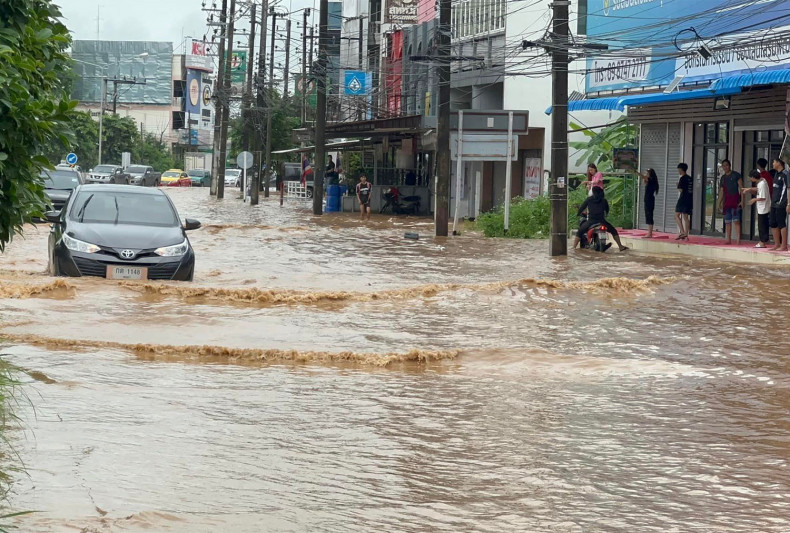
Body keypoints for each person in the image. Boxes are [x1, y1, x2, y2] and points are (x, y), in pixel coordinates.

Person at [573, 186, 628, 251]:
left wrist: (578, 214)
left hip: (591, 221)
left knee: (580, 232)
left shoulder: (589, 199)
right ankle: (620, 246)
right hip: (602, 221)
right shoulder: (604, 200)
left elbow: (582, 208)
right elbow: (607, 209)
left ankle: (573, 248)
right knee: (614, 231)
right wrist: (606, 214)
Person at [718, 159, 743, 245]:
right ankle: (728, 239)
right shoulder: (723, 178)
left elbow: (741, 188)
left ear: (730, 166)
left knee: (736, 221)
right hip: (726, 203)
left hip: (735, 202)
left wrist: (742, 201)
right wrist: (719, 203)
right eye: (723, 166)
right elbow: (721, 191)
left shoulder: (736, 175)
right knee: (727, 222)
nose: (725, 167)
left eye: (726, 165)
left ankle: (738, 239)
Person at [770, 158, 788, 251]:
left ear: (779, 163)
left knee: (781, 223)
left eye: (774, 162)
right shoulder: (776, 174)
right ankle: (777, 244)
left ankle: (784, 245)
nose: (772, 163)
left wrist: (787, 203)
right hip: (773, 202)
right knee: (773, 223)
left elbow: (788, 189)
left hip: (781, 203)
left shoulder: (786, 174)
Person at [675, 163, 693, 240]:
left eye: (678, 169)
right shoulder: (690, 178)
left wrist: (677, 185)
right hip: (689, 199)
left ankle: (682, 232)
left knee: (676, 215)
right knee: (686, 217)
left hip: (682, 199)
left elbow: (680, 189)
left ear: (681, 169)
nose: (678, 171)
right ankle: (686, 234)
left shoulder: (682, 178)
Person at [640, 168, 659, 238]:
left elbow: (643, 177)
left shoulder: (651, 180)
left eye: (647, 173)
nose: (646, 175)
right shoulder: (650, 182)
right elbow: (644, 179)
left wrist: (635, 172)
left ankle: (650, 233)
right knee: (648, 215)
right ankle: (649, 232)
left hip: (649, 200)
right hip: (648, 200)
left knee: (649, 215)